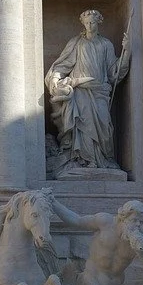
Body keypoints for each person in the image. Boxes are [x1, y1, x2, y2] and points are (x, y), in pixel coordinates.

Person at [45, 9, 130, 172]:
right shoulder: (76, 42)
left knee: (104, 127)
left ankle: (103, 159)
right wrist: (55, 79)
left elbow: (114, 71)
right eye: (87, 23)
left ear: (99, 23)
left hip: (100, 91)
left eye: (93, 22)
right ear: (83, 24)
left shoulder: (106, 44)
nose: (90, 26)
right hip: (81, 91)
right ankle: (81, 160)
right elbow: (63, 65)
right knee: (82, 126)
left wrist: (126, 52)